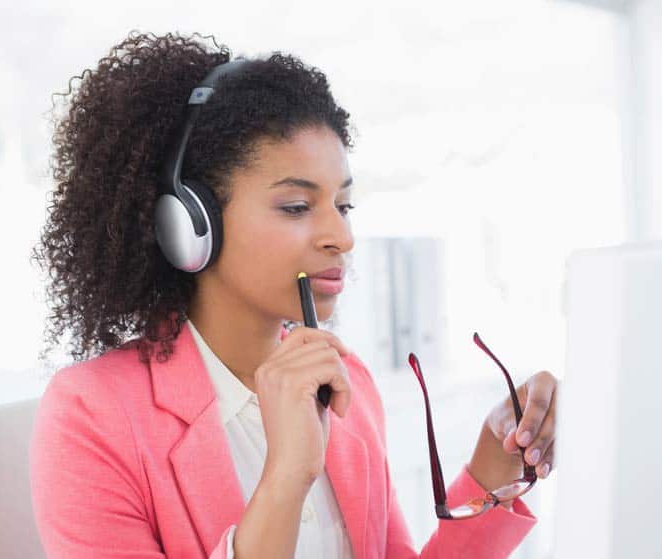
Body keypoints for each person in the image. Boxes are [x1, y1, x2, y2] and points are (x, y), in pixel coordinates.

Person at [29, 30, 559, 559]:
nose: (342, 238)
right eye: (296, 207)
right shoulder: (91, 417)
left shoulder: (347, 387)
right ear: (190, 224)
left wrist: (494, 467)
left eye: (343, 206)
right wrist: (286, 476)